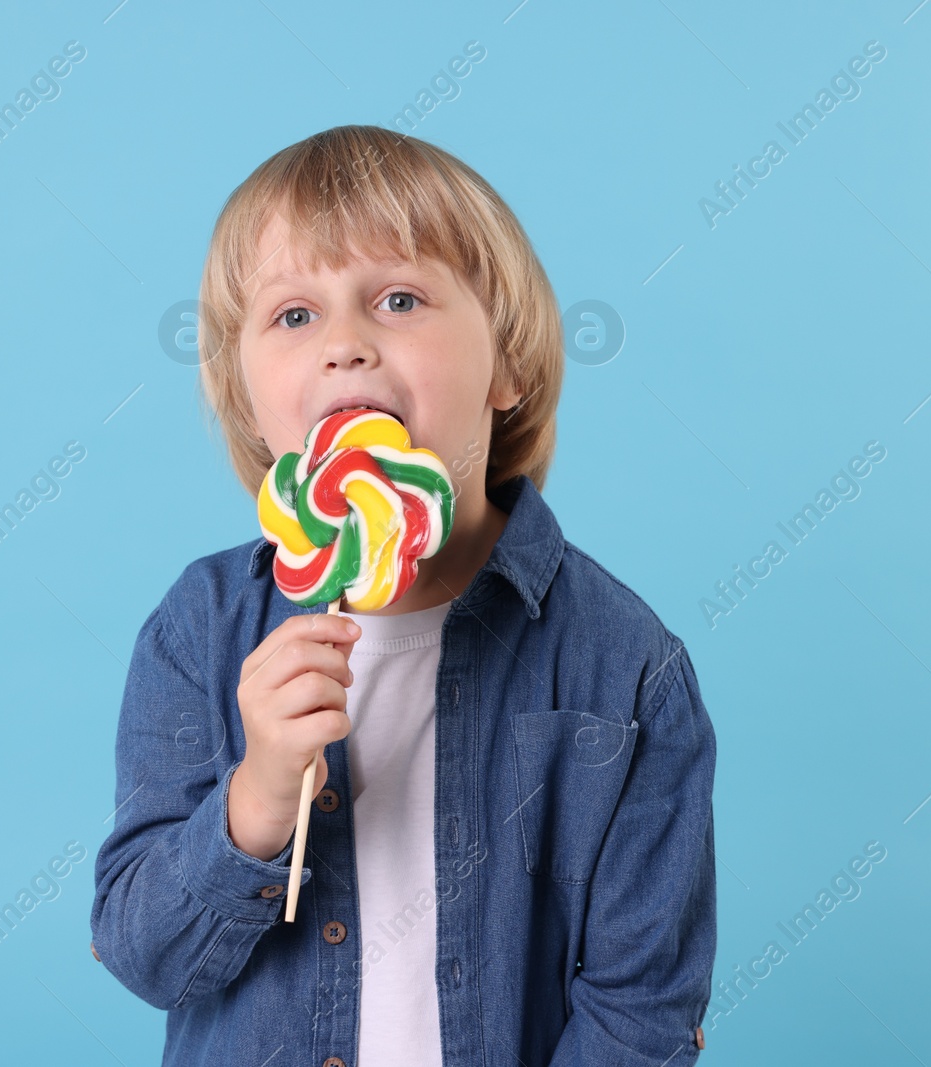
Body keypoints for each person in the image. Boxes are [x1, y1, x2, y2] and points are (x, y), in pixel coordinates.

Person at [91, 124, 717, 1066]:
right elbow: (142, 954)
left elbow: (641, 1010)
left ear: (507, 365)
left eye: (398, 298)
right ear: (250, 404)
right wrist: (256, 800)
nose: (345, 344)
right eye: (294, 315)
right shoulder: (201, 630)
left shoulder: (625, 666)